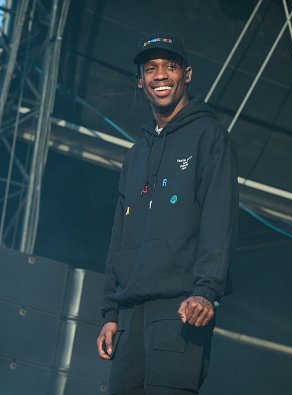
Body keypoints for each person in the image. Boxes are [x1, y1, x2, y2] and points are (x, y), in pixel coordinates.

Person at [97, 31, 239, 395]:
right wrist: (110, 313)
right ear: (140, 81)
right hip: (130, 315)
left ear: (186, 75)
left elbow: (218, 219)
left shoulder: (210, 136)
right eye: (151, 69)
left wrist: (206, 290)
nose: (160, 75)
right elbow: (119, 235)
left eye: (170, 67)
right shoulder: (135, 154)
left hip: (181, 307)